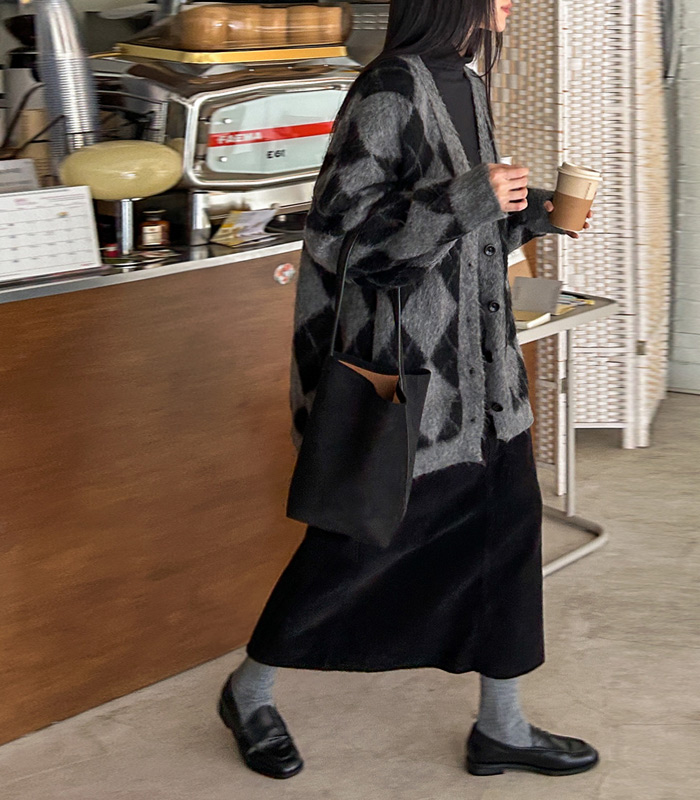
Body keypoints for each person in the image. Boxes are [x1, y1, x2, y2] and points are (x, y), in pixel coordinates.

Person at [217, 0, 598, 781]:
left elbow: (464, 234)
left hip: (486, 381)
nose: (510, 1)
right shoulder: (390, 87)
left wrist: (531, 217)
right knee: (354, 554)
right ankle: (249, 692)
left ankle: (501, 726)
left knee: (507, 538)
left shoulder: (466, 81)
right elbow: (343, 241)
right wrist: (471, 197)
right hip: (416, 385)